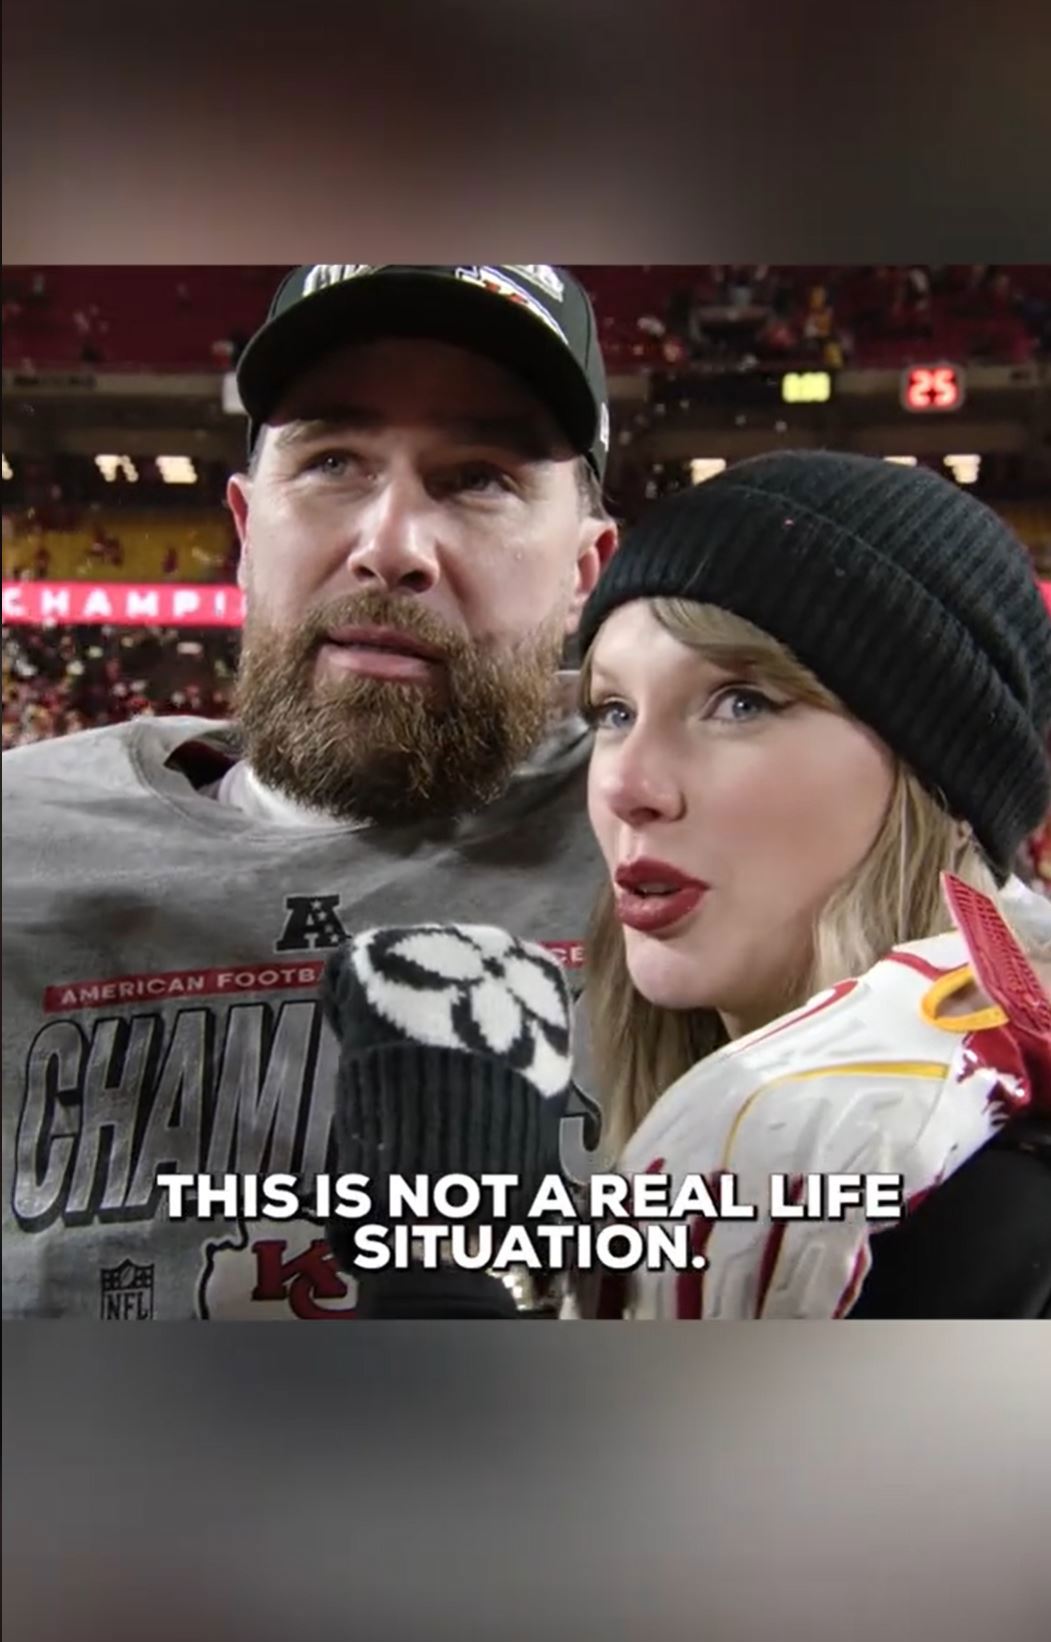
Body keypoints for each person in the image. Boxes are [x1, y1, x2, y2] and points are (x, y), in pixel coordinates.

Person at [1, 263, 617, 1320]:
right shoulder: (24, 837)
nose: (389, 547)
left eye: (479, 477)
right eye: (333, 460)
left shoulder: (685, 839)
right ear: (246, 526)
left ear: (583, 570)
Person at [573, 450, 1051, 1318]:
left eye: (739, 703)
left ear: (936, 780)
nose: (625, 785)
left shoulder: (1000, 1229)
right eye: (612, 712)